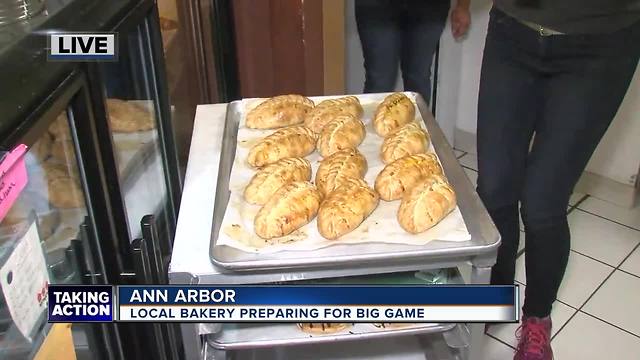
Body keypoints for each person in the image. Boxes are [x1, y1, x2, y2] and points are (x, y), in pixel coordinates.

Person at [476, 1, 640, 359]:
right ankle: (494, 299)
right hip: (512, 29)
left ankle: (537, 318)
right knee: (493, 190)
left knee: (542, 205)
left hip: (600, 45)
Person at [355, 0, 470, 104]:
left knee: (418, 81)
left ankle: (416, 127)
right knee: (379, 83)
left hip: (430, 7)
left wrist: (463, 6)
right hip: (376, 6)